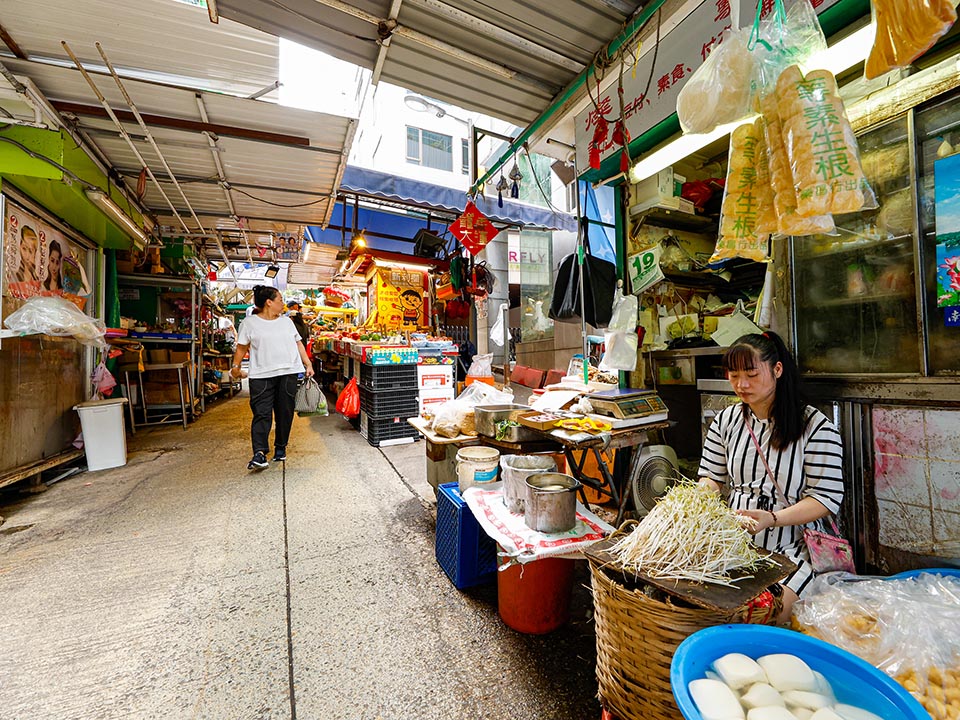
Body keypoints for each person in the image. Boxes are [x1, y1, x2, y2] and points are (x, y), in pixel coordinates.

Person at [697, 331, 844, 624]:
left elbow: (825, 499)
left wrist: (771, 518)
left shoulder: (815, 426)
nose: (741, 384)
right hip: (735, 543)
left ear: (777, 370)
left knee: (766, 618)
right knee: (708, 612)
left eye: (751, 374)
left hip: (794, 546)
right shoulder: (726, 422)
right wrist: (696, 503)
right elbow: (711, 477)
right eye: (734, 375)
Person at [230, 285, 314, 470]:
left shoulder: (286, 322)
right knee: (261, 413)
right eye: (280, 300)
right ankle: (259, 453)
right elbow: (242, 347)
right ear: (269, 302)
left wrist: (307, 364)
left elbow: (298, 343)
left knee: (284, 413)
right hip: (261, 375)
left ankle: (280, 447)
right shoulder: (249, 323)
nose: (283, 303)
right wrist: (235, 367)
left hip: (288, 373)